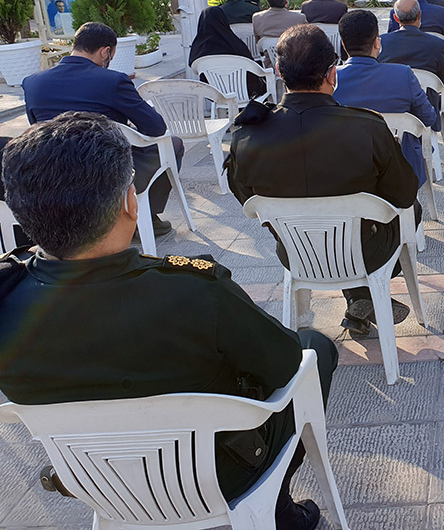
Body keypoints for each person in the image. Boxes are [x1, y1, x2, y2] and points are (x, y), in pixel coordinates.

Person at [0, 112, 335, 530]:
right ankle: (278, 508)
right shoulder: (195, 290)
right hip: (218, 477)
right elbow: (284, 364)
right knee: (315, 348)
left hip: (97, 482)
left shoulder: (7, 299)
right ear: (129, 202)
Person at [226, 25, 415, 337]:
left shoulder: (246, 137)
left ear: (279, 72)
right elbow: (404, 194)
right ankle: (362, 292)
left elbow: (248, 201)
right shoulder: (367, 127)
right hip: (366, 251)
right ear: (332, 74)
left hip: (296, 252)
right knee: (409, 208)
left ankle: (358, 297)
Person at [22, 23, 183, 239]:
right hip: (106, 169)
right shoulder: (112, 81)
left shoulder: (32, 83)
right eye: (111, 56)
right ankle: (142, 217)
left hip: (54, 170)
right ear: (105, 51)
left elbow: (37, 129)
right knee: (173, 144)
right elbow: (156, 128)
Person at [335, 9, 439, 186]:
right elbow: (428, 117)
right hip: (401, 171)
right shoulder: (403, 74)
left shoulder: (331, 80)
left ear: (343, 45)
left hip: (346, 171)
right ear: (377, 43)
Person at [379, 0, 444, 117]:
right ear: (419, 15)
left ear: (396, 18)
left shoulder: (382, 42)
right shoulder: (436, 44)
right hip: (428, 107)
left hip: (392, 108)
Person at [189, 6, 268, 99]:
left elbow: (194, 68)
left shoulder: (198, 47)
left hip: (214, 94)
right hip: (245, 92)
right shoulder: (235, 43)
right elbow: (250, 63)